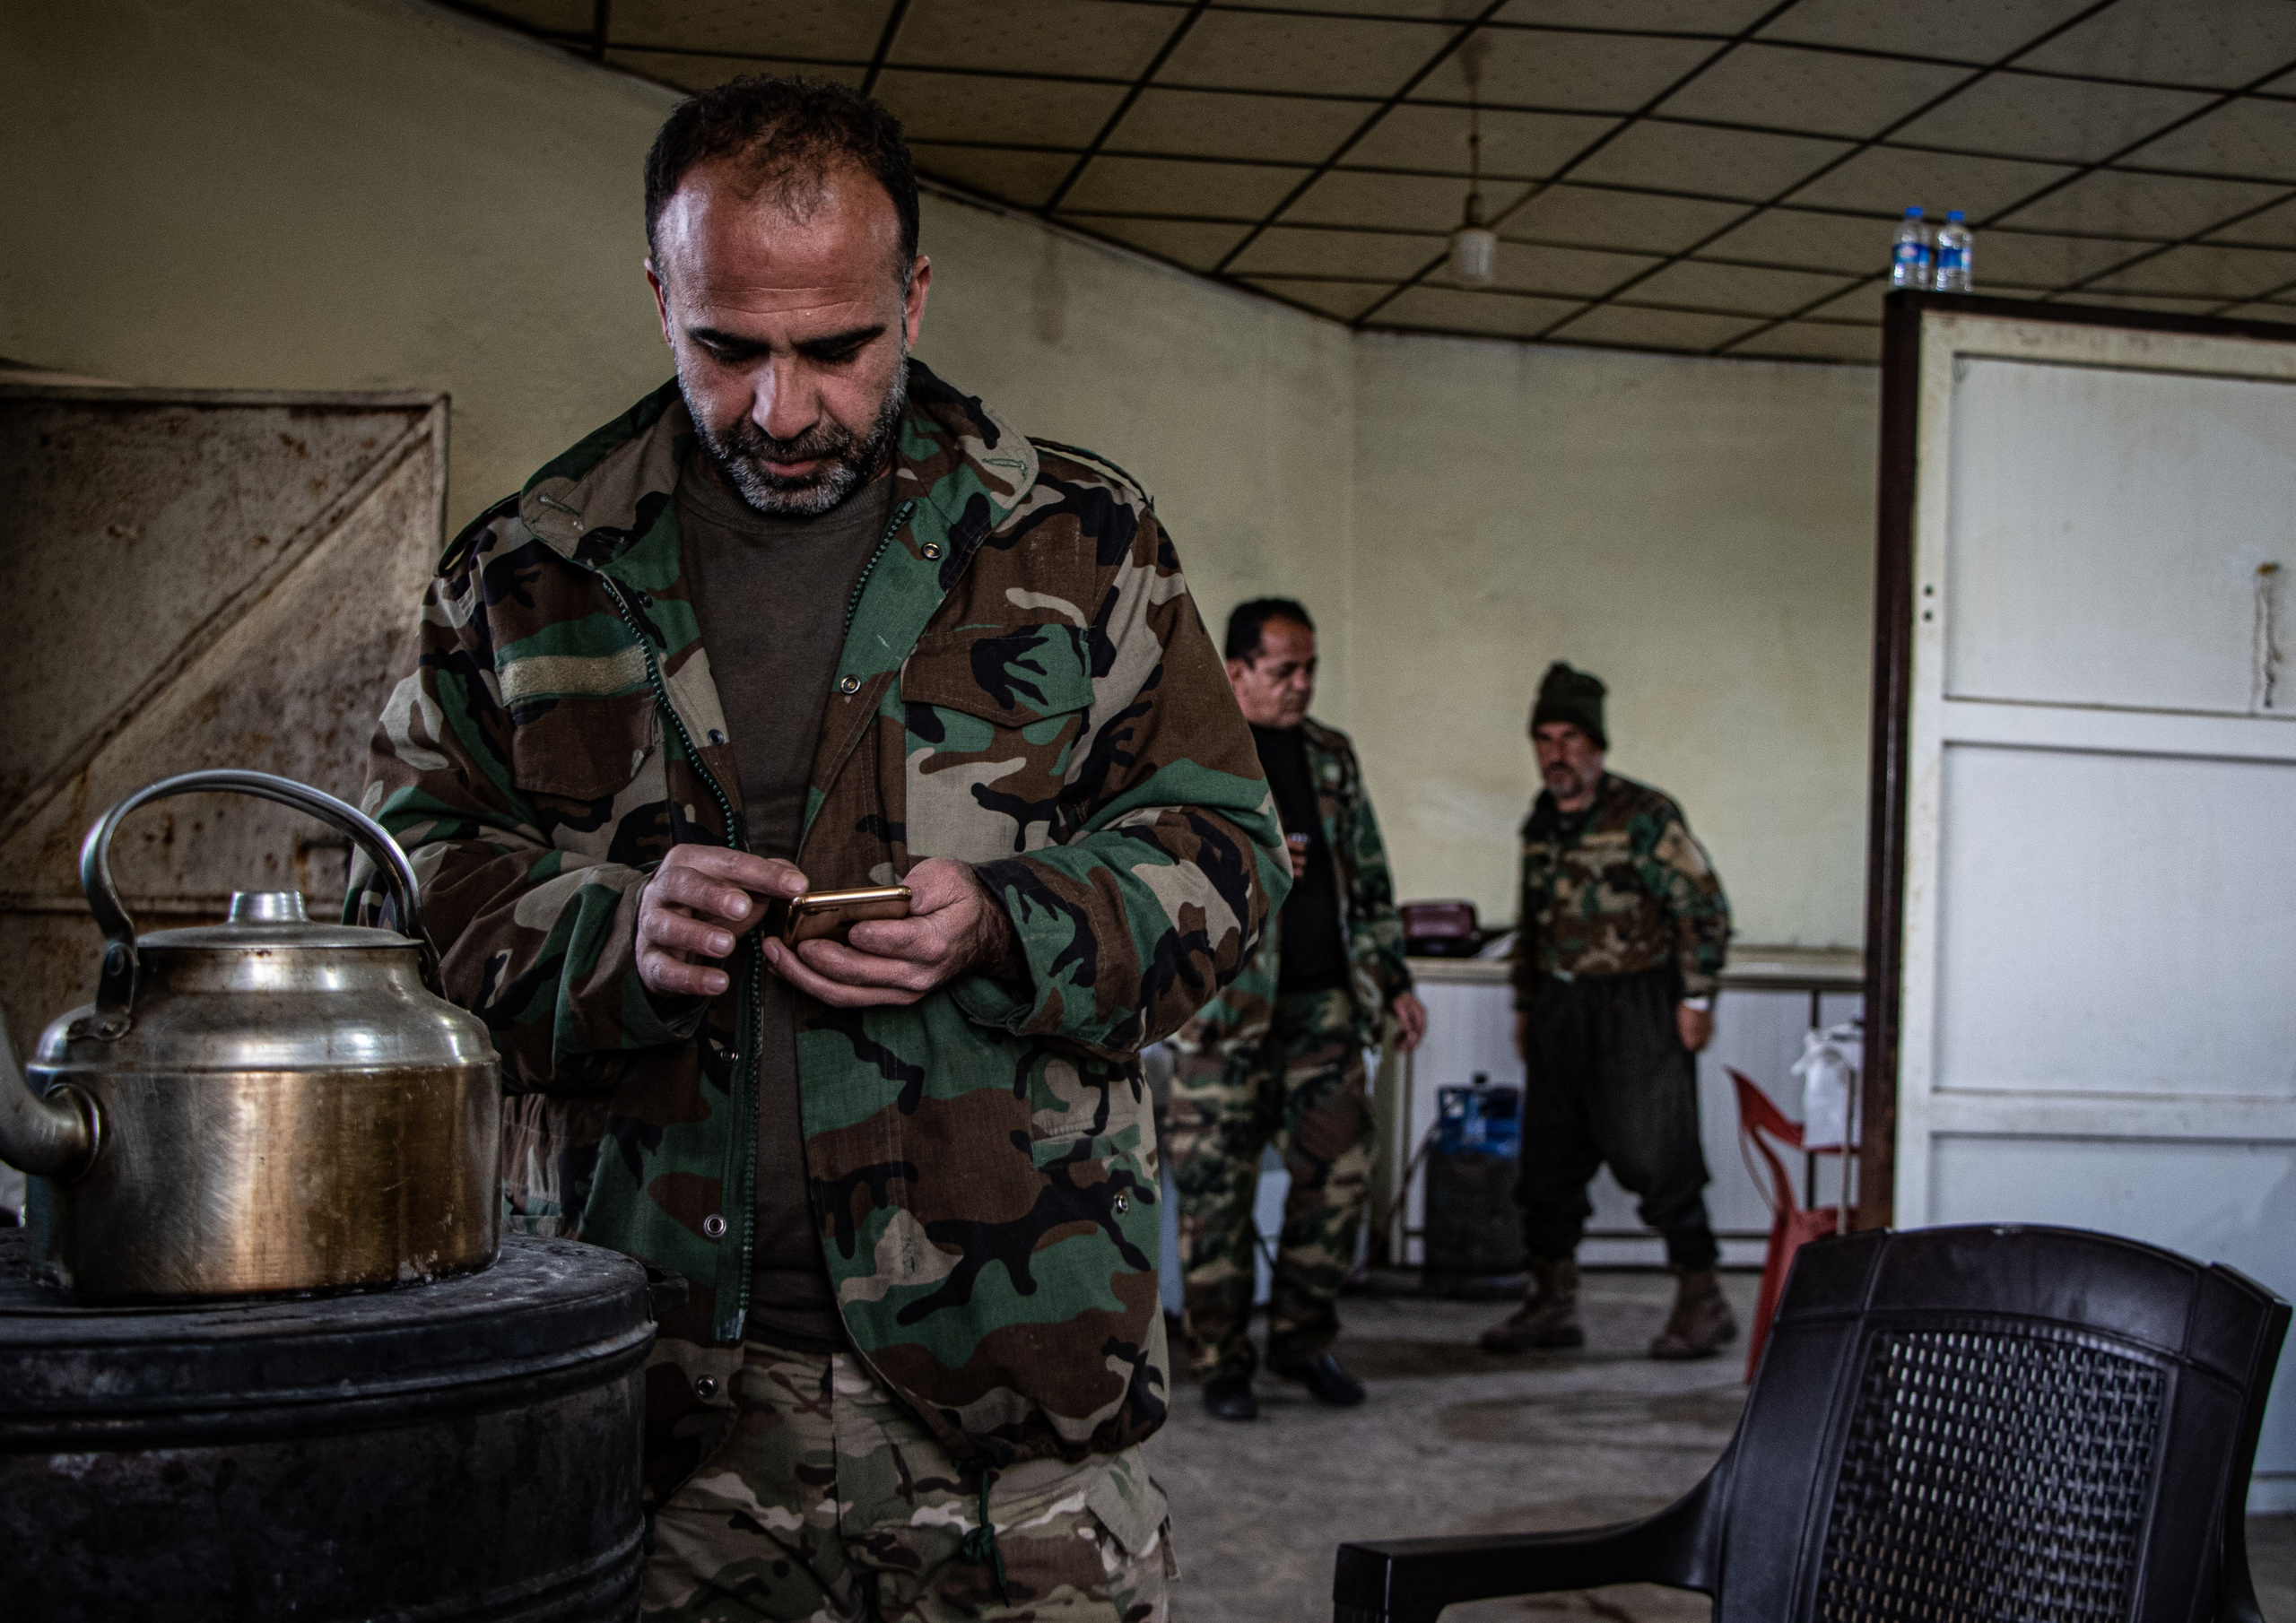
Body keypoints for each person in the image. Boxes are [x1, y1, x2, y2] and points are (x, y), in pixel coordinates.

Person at [352, 76, 1288, 1623]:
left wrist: (1003, 921)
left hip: (1022, 1412)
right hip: (653, 1409)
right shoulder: (532, 571)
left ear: (912, 297)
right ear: (660, 297)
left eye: (835, 350)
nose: (780, 411)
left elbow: (1229, 857)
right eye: (726, 348)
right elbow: (398, 891)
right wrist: (611, 936)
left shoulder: (1076, 540)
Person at [1167, 598, 1426, 1420]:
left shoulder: (1331, 758)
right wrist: (1248, 854)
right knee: (1217, 1197)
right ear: (1236, 669)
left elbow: (1371, 879)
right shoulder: (1190, 753)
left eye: (1309, 668)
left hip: (1322, 1010)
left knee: (1340, 1180)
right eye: (1285, 670)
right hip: (1222, 1013)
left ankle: (1304, 1339)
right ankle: (1221, 1359)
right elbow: (1149, 875)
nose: (1302, 684)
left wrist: (1394, 981)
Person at [1480, 662, 1736, 1361]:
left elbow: (1702, 906)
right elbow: (1532, 921)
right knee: (1548, 1165)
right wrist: (1528, 1003)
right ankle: (1551, 1304)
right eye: (1545, 739)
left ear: (1597, 747)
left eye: (1570, 739)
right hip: (1563, 1006)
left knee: (1661, 1157)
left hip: (1638, 1005)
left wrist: (1695, 997)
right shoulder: (1540, 822)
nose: (1556, 753)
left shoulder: (1645, 816)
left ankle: (1703, 1299)